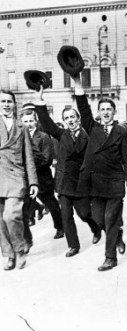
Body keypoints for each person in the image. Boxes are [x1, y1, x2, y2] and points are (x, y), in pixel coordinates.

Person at [72, 74, 127, 271]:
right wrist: (78, 83)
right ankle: (117, 236)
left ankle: (110, 257)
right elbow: (82, 106)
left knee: (110, 218)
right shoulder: (93, 128)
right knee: (99, 219)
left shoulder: (122, 132)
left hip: (115, 182)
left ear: (114, 112)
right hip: (96, 184)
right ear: (98, 112)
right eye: (102, 109)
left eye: (109, 109)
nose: (106, 112)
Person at [33, 87, 102, 257]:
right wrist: (39, 100)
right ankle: (73, 245)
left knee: (84, 213)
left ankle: (95, 228)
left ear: (78, 119)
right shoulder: (61, 134)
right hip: (64, 183)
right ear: (63, 121)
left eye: (72, 117)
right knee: (66, 215)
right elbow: (46, 122)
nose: (70, 120)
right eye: (66, 118)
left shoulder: (87, 137)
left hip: (80, 184)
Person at [0, 89, 39, 270]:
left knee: (11, 216)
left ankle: (21, 249)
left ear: (14, 104)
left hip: (16, 177)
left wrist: (33, 182)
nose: (6, 105)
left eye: (9, 101)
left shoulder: (21, 127)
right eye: (2, 101)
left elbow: (29, 157)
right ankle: (9, 255)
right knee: (0, 220)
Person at [20, 105, 64, 240]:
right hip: (25, 179)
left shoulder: (44, 137)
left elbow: (47, 159)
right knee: (23, 208)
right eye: (25, 121)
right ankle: (27, 239)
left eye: (31, 121)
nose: (28, 124)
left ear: (36, 121)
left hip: (42, 177)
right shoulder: (20, 138)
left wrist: (30, 165)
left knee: (51, 203)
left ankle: (60, 226)